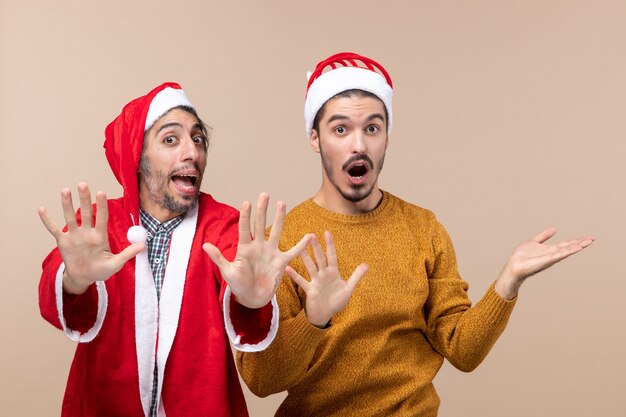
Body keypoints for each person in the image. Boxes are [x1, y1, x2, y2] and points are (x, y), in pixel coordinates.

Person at [236, 52, 595, 417]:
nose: (358, 145)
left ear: (387, 137)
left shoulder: (422, 228)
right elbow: (262, 383)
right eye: (340, 129)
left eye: (372, 128)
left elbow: (462, 351)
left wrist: (508, 281)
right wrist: (314, 322)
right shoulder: (284, 243)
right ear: (315, 138)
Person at [38, 82, 309, 417]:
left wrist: (251, 302)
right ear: (137, 157)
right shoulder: (95, 226)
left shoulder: (223, 224)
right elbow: (55, 300)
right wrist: (73, 282)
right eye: (170, 139)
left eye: (198, 139)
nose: (192, 152)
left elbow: (243, 298)